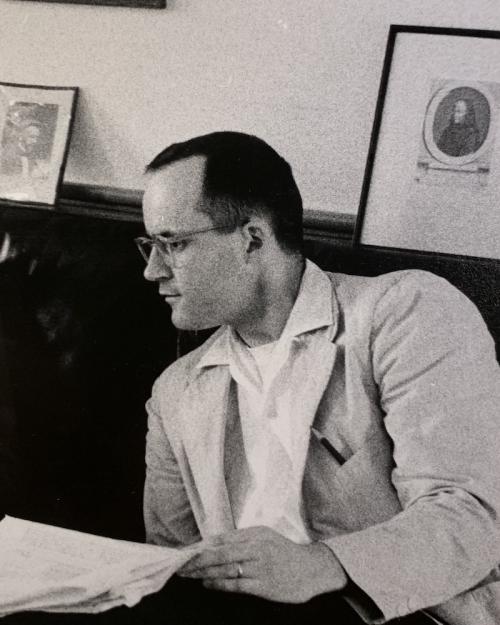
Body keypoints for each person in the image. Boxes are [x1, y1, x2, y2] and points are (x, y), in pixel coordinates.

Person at [139, 131, 500, 625]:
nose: (152, 270)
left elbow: (471, 515)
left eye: (172, 243)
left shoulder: (404, 313)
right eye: (150, 245)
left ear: (252, 239)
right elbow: (172, 564)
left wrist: (320, 566)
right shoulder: (176, 392)